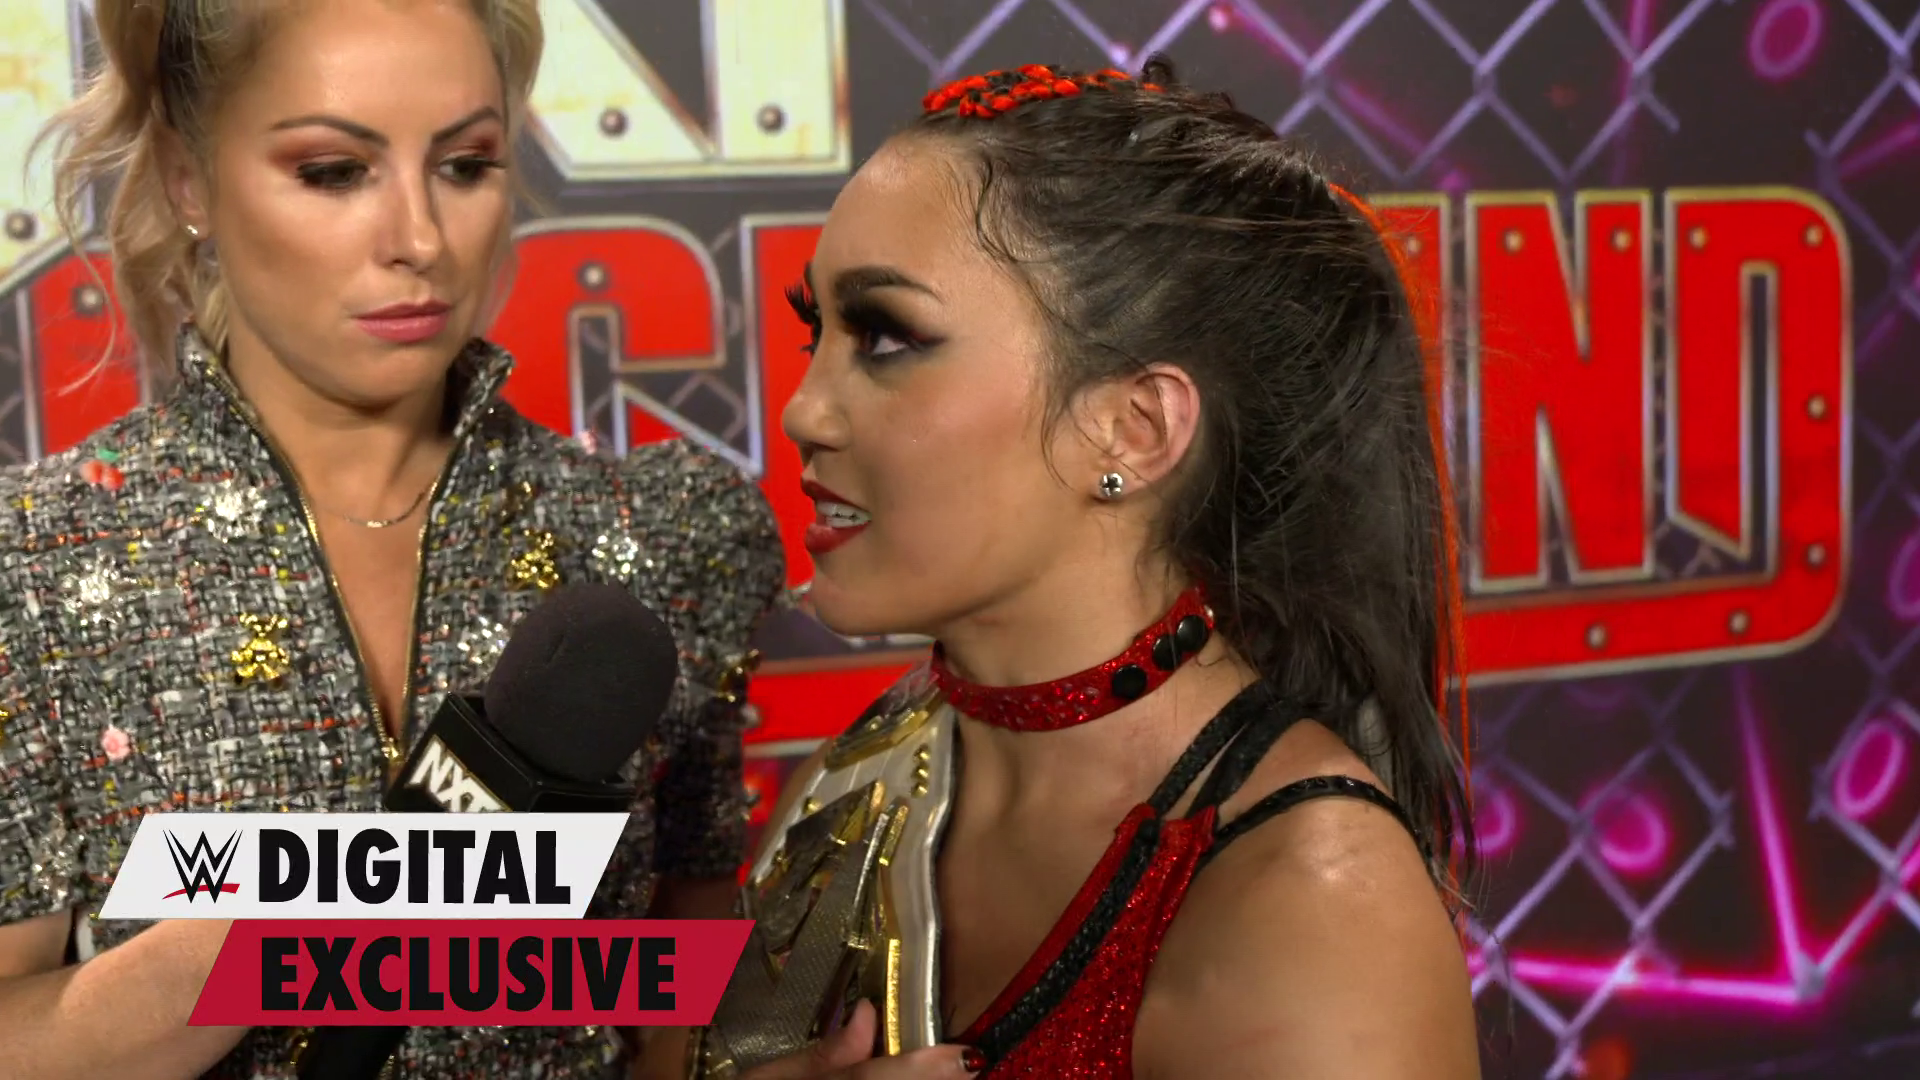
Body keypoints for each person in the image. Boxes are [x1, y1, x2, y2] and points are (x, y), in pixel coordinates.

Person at [0, 2, 783, 1078]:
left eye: (465, 165)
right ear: (189, 180)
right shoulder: (34, 566)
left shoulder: (662, 535)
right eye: (334, 171)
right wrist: (269, 950)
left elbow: (682, 993)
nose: (420, 239)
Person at [675, 58, 1482, 1079]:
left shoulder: (1315, 901)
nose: (803, 412)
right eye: (816, 333)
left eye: (885, 338)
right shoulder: (847, 789)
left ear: (1132, 429)